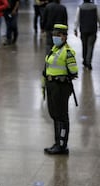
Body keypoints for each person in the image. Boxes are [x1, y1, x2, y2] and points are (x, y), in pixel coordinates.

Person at [42, 24, 78, 155]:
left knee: (61, 116)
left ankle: (62, 145)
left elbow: (74, 71)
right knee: (54, 115)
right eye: (54, 35)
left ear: (64, 36)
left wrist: (62, 77)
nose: (55, 37)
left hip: (61, 87)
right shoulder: (55, 49)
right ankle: (57, 143)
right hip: (51, 85)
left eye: (58, 35)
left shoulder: (67, 52)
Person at [73, 0, 100, 70]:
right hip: (93, 29)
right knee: (90, 46)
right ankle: (88, 62)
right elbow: (99, 18)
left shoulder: (80, 7)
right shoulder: (95, 7)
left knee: (84, 45)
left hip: (83, 30)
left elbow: (77, 19)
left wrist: (75, 29)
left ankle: (85, 60)